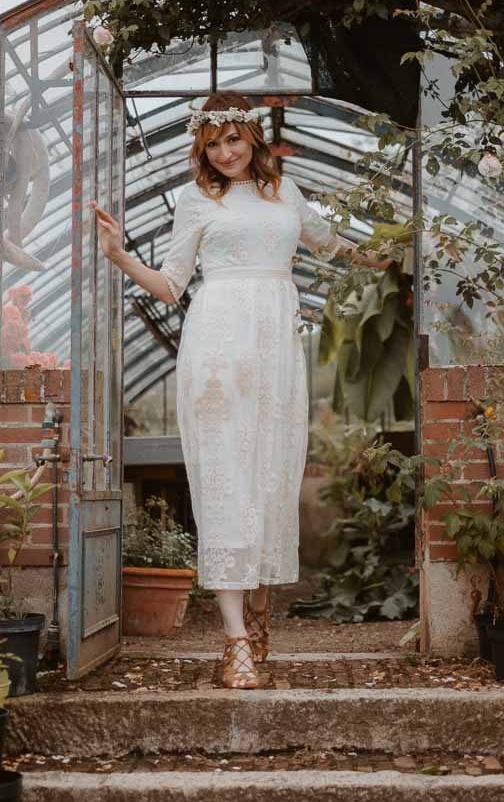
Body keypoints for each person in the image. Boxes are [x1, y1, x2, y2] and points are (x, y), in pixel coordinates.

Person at [89, 93, 391, 688]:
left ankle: (257, 612)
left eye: (234, 139)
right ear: (202, 148)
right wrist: (120, 255)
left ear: (251, 138)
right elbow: (173, 284)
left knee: (272, 477)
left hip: (276, 348)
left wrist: (391, 253)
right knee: (226, 478)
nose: (226, 152)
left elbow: (332, 244)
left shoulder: (287, 193)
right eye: (214, 143)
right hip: (218, 344)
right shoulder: (197, 200)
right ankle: (235, 643)